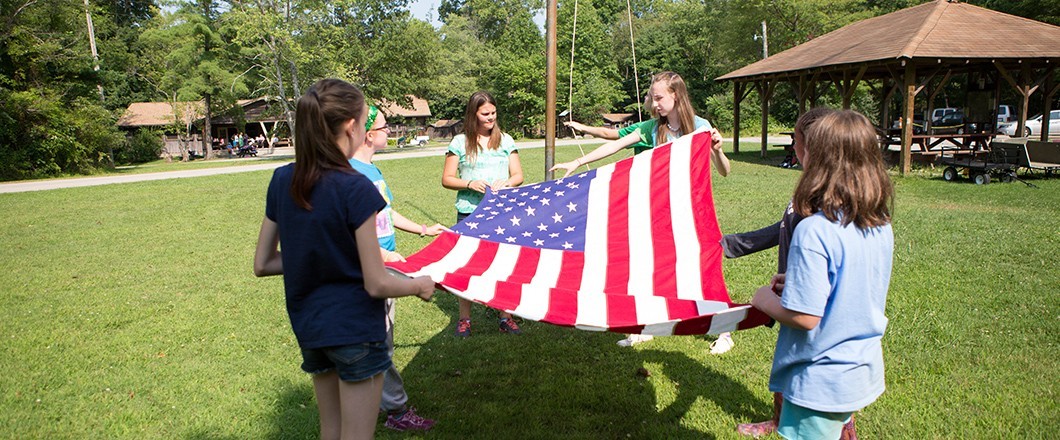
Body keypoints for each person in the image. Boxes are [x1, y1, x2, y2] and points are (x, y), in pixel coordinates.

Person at [253, 78, 435, 440]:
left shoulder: (281, 180)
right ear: (352, 126)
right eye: (366, 119)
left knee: (330, 431)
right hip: (355, 329)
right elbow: (376, 281)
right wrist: (418, 286)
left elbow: (264, 263)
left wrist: (315, 256)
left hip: (311, 329)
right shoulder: (355, 187)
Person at [551, 71, 731, 349]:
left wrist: (718, 150)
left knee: (704, 268)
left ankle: (724, 332)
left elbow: (725, 171)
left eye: (659, 98)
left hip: (695, 211)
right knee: (653, 267)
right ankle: (648, 326)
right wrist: (577, 160)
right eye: (653, 97)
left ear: (676, 96)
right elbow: (616, 144)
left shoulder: (700, 126)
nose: (654, 103)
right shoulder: (651, 129)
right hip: (659, 211)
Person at [750, 110, 894, 440]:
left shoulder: (814, 230)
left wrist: (763, 299)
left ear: (813, 156)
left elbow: (805, 317)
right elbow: (850, 285)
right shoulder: (879, 223)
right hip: (861, 370)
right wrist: (800, 284)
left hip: (819, 379)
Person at [726, 108, 858, 439]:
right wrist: (730, 245)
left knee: (817, 381)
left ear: (809, 147)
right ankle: (780, 420)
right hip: (794, 293)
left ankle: (843, 432)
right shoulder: (808, 188)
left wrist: (775, 296)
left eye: (795, 141)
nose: (793, 148)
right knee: (788, 365)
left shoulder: (822, 203)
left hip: (810, 305)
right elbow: (780, 229)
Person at [350, 105, 446, 431]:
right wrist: (381, 254)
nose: (389, 130)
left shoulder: (373, 172)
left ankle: (376, 401)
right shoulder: (350, 173)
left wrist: (422, 229)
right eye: (384, 126)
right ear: (367, 134)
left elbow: (386, 214)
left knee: (383, 336)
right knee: (378, 340)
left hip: (386, 262)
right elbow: (347, 229)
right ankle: (395, 410)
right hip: (370, 266)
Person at [441, 91, 525, 337]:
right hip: (469, 214)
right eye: (485, 114)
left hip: (500, 214)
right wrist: (469, 184)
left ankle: (505, 316)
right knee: (466, 266)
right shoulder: (459, 142)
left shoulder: (506, 141)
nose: (490, 118)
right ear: (473, 115)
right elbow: (446, 179)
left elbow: (518, 175)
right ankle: (465, 319)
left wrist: (508, 183)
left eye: (493, 113)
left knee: (503, 265)